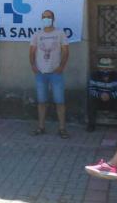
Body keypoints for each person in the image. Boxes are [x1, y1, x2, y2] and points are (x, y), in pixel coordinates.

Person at [29, 10, 70, 138]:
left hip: (56, 73)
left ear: (53, 19)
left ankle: (62, 128)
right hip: (41, 73)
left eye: (49, 17)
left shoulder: (60, 34)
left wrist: (61, 66)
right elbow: (31, 52)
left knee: (60, 102)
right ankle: (41, 127)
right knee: (41, 102)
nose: (46, 19)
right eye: (44, 17)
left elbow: (66, 51)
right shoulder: (37, 34)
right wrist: (33, 66)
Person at [86, 58, 117, 132]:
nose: (105, 70)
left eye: (107, 68)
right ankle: (91, 125)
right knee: (90, 99)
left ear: (111, 69)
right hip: (99, 100)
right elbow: (91, 90)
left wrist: (110, 96)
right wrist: (100, 95)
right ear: (99, 68)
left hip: (112, 101)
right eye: (103, 68)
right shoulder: (94, 75)